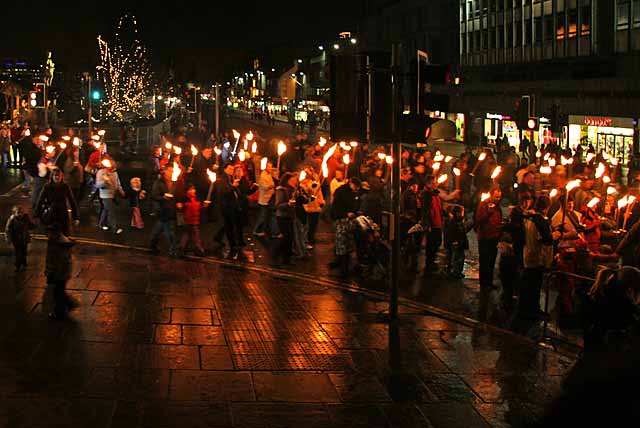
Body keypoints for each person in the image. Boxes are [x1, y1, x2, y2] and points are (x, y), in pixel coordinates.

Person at [518, 195, 557, 319]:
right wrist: (557, 234)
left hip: (528, 253)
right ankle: (531, 310)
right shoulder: (539, 221)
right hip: (536, 256)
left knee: (529, 284)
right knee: (534, 286)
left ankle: (525, 307)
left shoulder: (529, 218)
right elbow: (547, 240)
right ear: (546, 207)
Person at [35, 167, 79, 242]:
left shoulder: (65, 186)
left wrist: (76, 217)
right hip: (51, 213)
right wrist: (37, 215)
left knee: (64, 235)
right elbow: (40, 201)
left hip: (62, 213)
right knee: (52, 235)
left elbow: (72, 201)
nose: (57, 177)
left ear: (62, 177)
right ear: (52, 176)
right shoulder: (47, 187)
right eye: (55, 176)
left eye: (59, 176)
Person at [217, 163, 250, 261]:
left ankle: (235, 244)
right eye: (230, 168)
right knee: (229, 227)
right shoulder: (222, 179)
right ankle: (232, 245)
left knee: (233, 226)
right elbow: (224, 192)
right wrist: (233, 187)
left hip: (233, 206)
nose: (232, 170)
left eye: (232, 168)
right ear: (225, 169)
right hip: (227, 207)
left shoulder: (231, 178)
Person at [330, 177, 362, 277]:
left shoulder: (351, 193)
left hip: (348, 221)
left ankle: (341, 264)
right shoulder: (341, 192)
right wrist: (345, 213)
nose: (356, 190)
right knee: (343, 244)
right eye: (356, 187)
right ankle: (343, 268)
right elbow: (336, 207)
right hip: (342, 220)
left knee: (348, 244)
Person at [474, 187, 503, 290]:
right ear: (491, 195)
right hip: (485, 237)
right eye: (496, 196)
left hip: (494, 237)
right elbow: (479, 220)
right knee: (485, 261)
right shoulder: (483, 205)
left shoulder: (497, 207)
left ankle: (489, 282)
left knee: (491, 261)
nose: (498, 199)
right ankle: (484, 283)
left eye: (499, 197)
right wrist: (488, 214)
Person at [45, 228, 76, 320]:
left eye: (49, 233)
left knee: (58, 292)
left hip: (59, 273)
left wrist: (52, 273)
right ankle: (66, 306)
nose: (47, 235)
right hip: (59, 272)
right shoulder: (55, 241)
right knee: (59, 291)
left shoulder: (59, 244)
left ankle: (61, 311)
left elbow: (60, 261)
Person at [149, 166, 178, 257]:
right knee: (169, 231)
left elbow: (176, 194)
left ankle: (152, 245)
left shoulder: (174, 182)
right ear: (164, 172)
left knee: (159, 229)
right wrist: (163, 198)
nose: (171, 172)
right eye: (169, 170)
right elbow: (154, 195)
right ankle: (173, 250)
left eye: (172, 171)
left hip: (170, 210)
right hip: (162, 209)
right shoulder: (159, 182)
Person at [422, 175, 445, 273]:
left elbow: (439, 208)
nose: (436, 184)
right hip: (432, 224)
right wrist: (428, 224)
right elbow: (426, 211)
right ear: (428, 184)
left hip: (437, 223)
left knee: (436, 243)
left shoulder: (435, 195)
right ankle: (429, 264)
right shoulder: (427, 196)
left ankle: (431, 263)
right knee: (431, 245)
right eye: (434, 183)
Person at [176, 185, 209, 257]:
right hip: (187, 221)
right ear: (187, 191)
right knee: (194, 235)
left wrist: (204, 206)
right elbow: (180, 210)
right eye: (190, 190)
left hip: (195, 220)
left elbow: (200, 209)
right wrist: (179, 207)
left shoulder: (198, 198)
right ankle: (199, 250)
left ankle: (181, 249)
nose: (193, 191)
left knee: (188, 235)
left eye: (193, 189)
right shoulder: (184, 199)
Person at [96, 160, 125, 235]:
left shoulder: (114, 173)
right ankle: (114, 228)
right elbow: (98, 185)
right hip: (105, 195)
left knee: (106, 210)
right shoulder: (101, 172)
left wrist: (121, 191)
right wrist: (105, 181)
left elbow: (117, 183)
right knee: (112, 211)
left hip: (113, 194)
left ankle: (101, 224)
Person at [274, 173, 298, 265]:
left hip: (290, 216)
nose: (295, 182)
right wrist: (288, 204)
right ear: (287, 181)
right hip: (282, 216)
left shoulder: (294, 190)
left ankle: (286, 259)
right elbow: (278, 205)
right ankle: (276, 254)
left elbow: (301, 200)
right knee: (286, 238)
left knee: (290, 238)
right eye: (293, 180)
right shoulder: (281, 190)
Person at [4, 205, 34, 272]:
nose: (20, 214)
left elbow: (31, 226)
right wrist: (8, 239)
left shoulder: (26, 218)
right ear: (14, 213)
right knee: (18, 253)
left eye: (22, 212)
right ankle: (18, 266)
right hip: (16, 239)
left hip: (24, 239)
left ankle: (23, 264)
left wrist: (33, 223)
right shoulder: (12, 220)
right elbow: (8, 230)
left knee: (24, 252)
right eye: (18, 212)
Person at [253, 160, 279, 238]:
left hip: (269, 199)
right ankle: (257, 230)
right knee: (262, 217)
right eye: (269, 167)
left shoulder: (269, 175)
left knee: (268, 216)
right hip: (264, 200)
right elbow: (265, 187)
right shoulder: (263, 176)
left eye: (271, 167)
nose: (270, 169)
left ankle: (268, 230)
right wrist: (271, 185)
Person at [444, 205, 469, 279]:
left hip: (460, 243)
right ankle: (456, 272)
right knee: (457, 258)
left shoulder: (460, 221)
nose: (463, 214)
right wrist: (454, 241)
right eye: (462, 212)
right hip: (457, 243)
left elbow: (463, 231)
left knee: (460, 258)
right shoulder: (453, 222)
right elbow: (451, 233)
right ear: (457, 213)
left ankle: (458, 272)